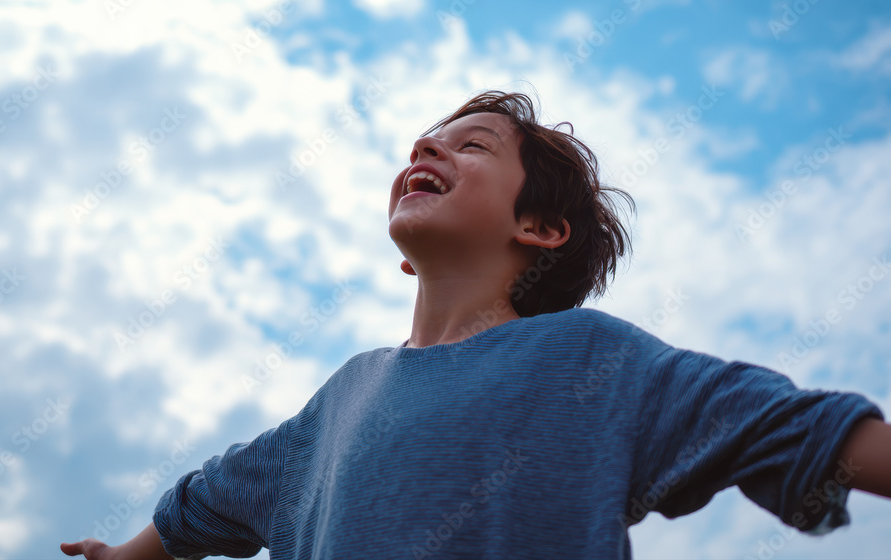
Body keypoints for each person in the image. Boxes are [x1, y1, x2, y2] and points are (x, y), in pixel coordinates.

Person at [61, 90, 891, 560]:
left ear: (541, 228)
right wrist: (127, 556)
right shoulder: (338, 403)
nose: (426, 149)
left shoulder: (590, 360)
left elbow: (791, 427)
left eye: (474, 146)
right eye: (426, 142)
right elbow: (210, 499)